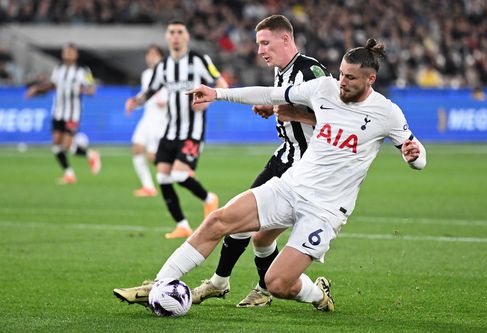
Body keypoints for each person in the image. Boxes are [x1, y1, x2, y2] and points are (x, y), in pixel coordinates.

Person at [113, 38, 427, 313]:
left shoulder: (387, 113)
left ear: (371, 79)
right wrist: (218, 94)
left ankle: (318, 294)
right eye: (342, 73)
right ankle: (161, 283)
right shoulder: (324, 88)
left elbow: (417, 155)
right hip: (290, 187)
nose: (342, 81)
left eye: (351, 78)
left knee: (277, 283)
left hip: (325, 210)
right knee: (217, 221)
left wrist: (414, 157)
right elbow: (269, 92)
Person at [191, 14, 329, 308]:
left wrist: (296, 114)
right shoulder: (282, 71)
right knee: (245, 225)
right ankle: (227, 283)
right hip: (283, 156)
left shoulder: (311, 71)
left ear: (285, 39)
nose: (260, 50)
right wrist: (274, 108)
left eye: (265, 43)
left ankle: (244, 285)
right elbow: (288, 104)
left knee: (253, 231)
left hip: (305, 167)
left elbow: (338, 119)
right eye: (258, 44)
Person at [125, 20, 228, 239]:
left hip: (192, 131)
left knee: (180, 174)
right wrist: (136, 101)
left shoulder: (199, 60)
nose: (175, 36)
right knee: (162, 178)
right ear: (167, 37)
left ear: (187, 36)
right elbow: (151, 90)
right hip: (170, 131)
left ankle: (209, 198)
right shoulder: (163, 66)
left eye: (180, 32)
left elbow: (222, 84)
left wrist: (209, 101)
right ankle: (182, 225)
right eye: (171, 32)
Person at [26, 43, 101, 184]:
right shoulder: (58, 69)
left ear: (76, 54)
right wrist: (36, 89)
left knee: (66, 146)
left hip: (73, 113)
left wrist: (84, 90)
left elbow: (92, 89)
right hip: (58, 112)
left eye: (71, 52)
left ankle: (91, 154)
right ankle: (69, 174)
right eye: (66, 52)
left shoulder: (84, 70)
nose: (68, 54)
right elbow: (52, 85)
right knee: (56, 144)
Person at [127, 45, 168, 197]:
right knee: (137, 147)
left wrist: (167, 101)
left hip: (161, 119)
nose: (151, 57)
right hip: (147, 117)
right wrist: (134, 102)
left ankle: (178, 172)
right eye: (149, 54)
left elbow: (176, 93)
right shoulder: (146, 74)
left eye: (154, 54)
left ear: (161, 56)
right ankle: (148, 187)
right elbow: (145, 93)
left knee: (152, 157)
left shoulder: (167, 73)